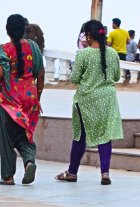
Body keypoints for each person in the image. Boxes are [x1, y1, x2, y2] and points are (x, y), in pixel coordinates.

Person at [54, 19, 123, 185]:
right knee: (105, 135)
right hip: (107, 99)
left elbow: (75, 78)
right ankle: (105, 173)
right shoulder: (112, 53)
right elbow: (116, 77)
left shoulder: (83, 54)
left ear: (89, 35)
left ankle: (72, 172)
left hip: (86, 99)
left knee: (80, 135)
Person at [0, 14, 44, 185]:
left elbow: (2, 75)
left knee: (5, 137)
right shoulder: (33, 47)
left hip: (8, 100)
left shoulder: (4, 49)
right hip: (30, 99)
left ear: (7, 30)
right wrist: (38, 98)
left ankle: (8, 176)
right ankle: (29, 162)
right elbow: (40, 74)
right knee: (24, 135)